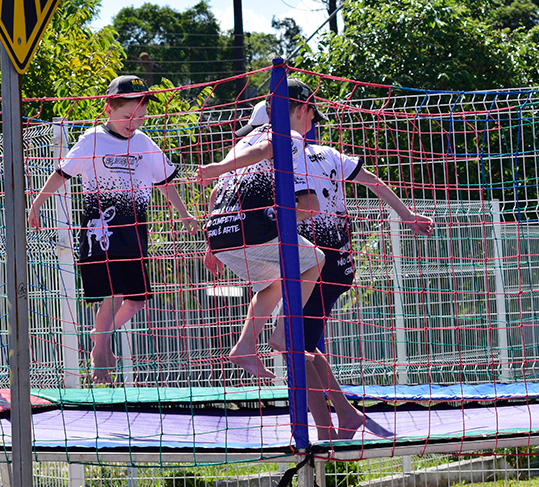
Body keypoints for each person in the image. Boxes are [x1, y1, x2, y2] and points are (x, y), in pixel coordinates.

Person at [229, 97, 436, 440]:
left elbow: (304, 204)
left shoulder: (286, 159)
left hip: (315, 265)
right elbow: (372, 179)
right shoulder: (327, 154)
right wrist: (406, 215)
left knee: (296, 346)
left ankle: (332, 424)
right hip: (338, 263)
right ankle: (342, 415)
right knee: (302, 345)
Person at [28, 75, 199, 384]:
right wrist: (37, 204)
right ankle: (100, 356)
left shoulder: (144, 143)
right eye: (127, 116)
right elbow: (62, 174)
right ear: (108, 109)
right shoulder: (93, 139)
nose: (134, 123)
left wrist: (184, 213)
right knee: (113, 293)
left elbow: (165, 182)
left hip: (134, 231)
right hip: (101, 228)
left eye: (141, 117)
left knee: (137, 299)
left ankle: (99, 336)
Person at [199, 79, 326, 382]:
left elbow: (217, 192)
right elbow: (267, 150)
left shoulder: (243, 140)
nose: (312, 124)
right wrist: (217, 167)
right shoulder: (289, 135)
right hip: (250, 227)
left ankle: (244, 347)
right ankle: (283, 334)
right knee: (316, 259)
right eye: (312, 116)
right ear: (302, 110)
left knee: (273, 283)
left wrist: (210, 244)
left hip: (220, 232)